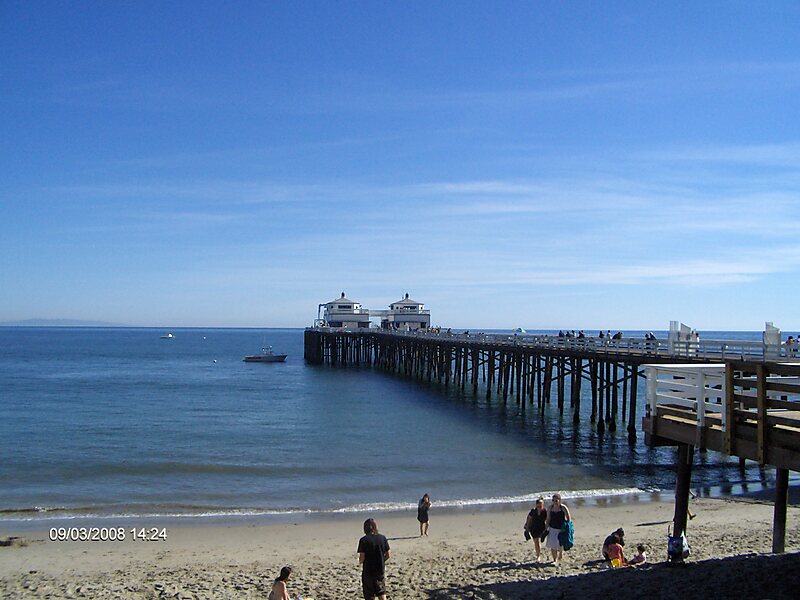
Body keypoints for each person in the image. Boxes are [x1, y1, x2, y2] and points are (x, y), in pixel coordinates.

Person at [357, 518, 391, 600]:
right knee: (381, 591)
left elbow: (362, 557)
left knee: (369, 592)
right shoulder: (382, 538)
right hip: (379, 568)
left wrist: (360, 562)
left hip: (368, 570)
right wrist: (382, 560)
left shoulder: (363, 540)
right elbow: (388, 554)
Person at [544, 493, 572, 566]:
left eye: (556, 500)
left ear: (559, 500)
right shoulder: (550, 508)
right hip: (552, 528)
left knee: (560, 544)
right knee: (553, 545)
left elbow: (569, 519)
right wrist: (545, 528)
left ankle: (560, 554)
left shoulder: (563, 508)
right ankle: (554, 560)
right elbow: (548, 518)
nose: (555, 502)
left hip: (561, 529)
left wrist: (568, 528)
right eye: (553, 500)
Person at [524, 497, 548, 561]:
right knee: (536, 541)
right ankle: (538, 555)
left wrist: (547, 528)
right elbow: (529, 519)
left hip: (541, 528)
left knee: (538, 541)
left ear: (543, 505)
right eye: (538, 505)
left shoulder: (545, 511)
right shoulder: (533, 511)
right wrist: (527, 528)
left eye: (540, 505)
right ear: (536, 505)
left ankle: (538, 554)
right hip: (533, 528)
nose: (539, 507)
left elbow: (548, 520)